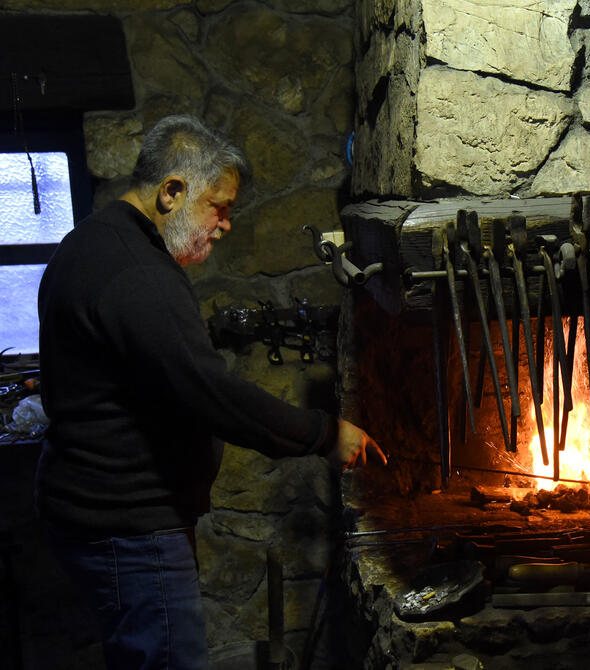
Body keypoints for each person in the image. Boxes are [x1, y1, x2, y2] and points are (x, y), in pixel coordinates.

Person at [35, 114, 385, 670]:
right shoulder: (136, 271)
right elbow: (211, 393)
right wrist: (324, 435)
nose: (224, 226)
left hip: (101, 514)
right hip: (130, 525)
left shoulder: (88, 243)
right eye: (218, 208)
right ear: (172, 192)